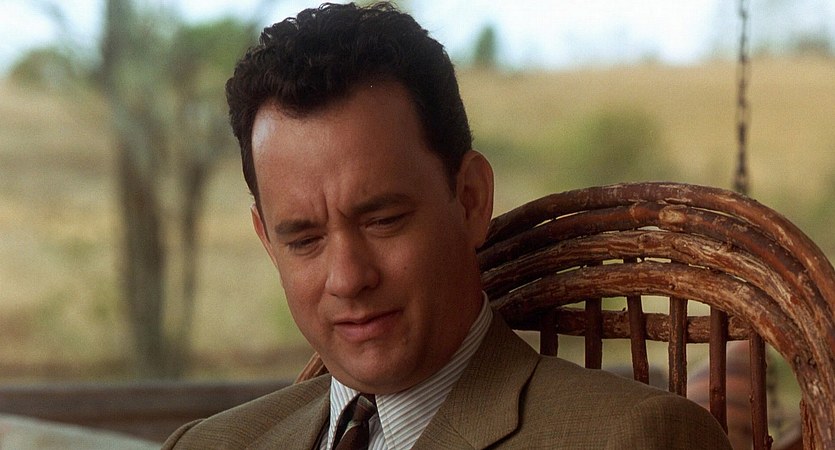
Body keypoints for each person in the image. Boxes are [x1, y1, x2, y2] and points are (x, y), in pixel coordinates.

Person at [163, 2, 732, 449]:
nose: (348, 278)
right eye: (304, 239)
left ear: (471, 201)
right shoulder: (205, 445)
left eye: (383, 220)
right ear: (267, 242)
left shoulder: (635, 439)